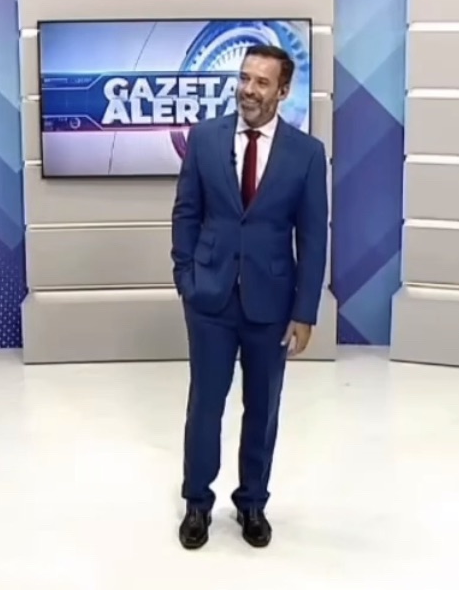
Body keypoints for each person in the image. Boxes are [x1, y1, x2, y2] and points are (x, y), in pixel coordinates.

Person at [170, 44, 328, 550]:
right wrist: (186, 278)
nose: (248, 90)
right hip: (210, 299)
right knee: (205, 405)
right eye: (243, 78)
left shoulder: (307, 154)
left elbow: (313, 238)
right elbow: (186, 212)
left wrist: (304, 312)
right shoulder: (204, 138)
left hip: (271, 304)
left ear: (283, 91)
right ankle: (197, 502)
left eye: (261, 82)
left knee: (262, 409)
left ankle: (252, 502)